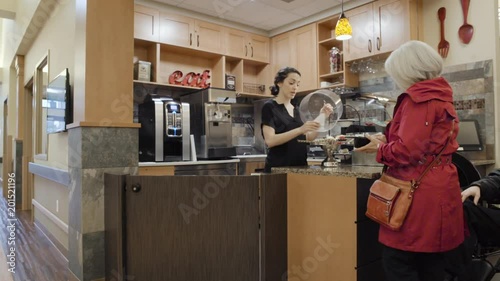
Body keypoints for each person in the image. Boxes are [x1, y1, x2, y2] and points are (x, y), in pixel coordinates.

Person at [355, 40, 464, 281]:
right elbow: (424, 141)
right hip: (440, 188)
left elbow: (406, 152)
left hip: (417, 192)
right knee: (432, 262)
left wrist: (380, 148)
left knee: (399, 262)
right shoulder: (442, 97)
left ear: (407, 71)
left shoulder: (418, 99)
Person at [261, 67, 333, 173]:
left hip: (300, 167)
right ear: (279, 83)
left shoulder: (297, 109)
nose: (295, 87)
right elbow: (270, 141)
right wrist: (300, 129)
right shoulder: (270, 107)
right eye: (291, 83)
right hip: (278, 169)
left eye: (298, 84)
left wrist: (322, 116)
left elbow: (308, 137)